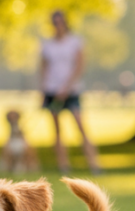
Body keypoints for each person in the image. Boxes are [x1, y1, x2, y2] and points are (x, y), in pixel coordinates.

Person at [40, 9, 101, 174]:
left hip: (71, 91)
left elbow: (80, 66)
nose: (58, 25)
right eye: (54, 22)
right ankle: (63, 166)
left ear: (65, 23)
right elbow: (44, 68)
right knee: (57, 130)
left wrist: (66, 87)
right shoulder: (47, 44)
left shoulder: (75, 42)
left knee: (81, 127)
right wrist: (44, 90)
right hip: (52, 90)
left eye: (60, 22)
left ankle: (94, 164)